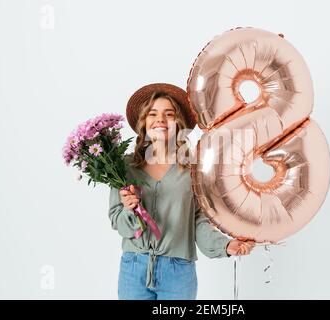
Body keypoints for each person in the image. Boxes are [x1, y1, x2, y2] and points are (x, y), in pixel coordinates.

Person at [108, 83, 255, 300]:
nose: (160, 120)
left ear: (179, 124)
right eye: (153, 114)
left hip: (178, 273)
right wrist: (129, 210)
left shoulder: (193, 170)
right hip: (133, 269)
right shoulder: (122, 168)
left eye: (169, 114)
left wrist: (224, 245)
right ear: (144, 122)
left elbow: (199, 220)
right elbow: (116, 220)